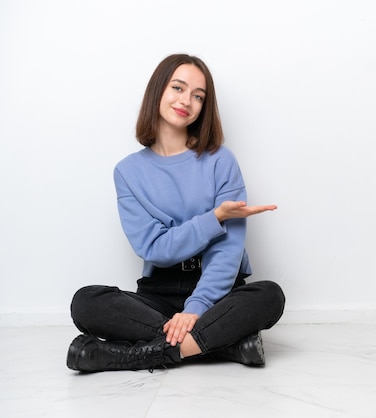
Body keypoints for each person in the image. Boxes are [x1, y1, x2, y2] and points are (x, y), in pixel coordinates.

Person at [66, 54, 285, 372]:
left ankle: (129, 356)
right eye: (179, 88)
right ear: (158, 90)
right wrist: (214, 218)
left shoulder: (221, 160)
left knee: (270, 296)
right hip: (160, 294)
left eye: (198, 96)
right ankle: (224, 345)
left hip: (219, 290)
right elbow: (153, 248)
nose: (188, 101)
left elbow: (227, 253)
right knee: (87, 302)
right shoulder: (128, 172)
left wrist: (197, 307)